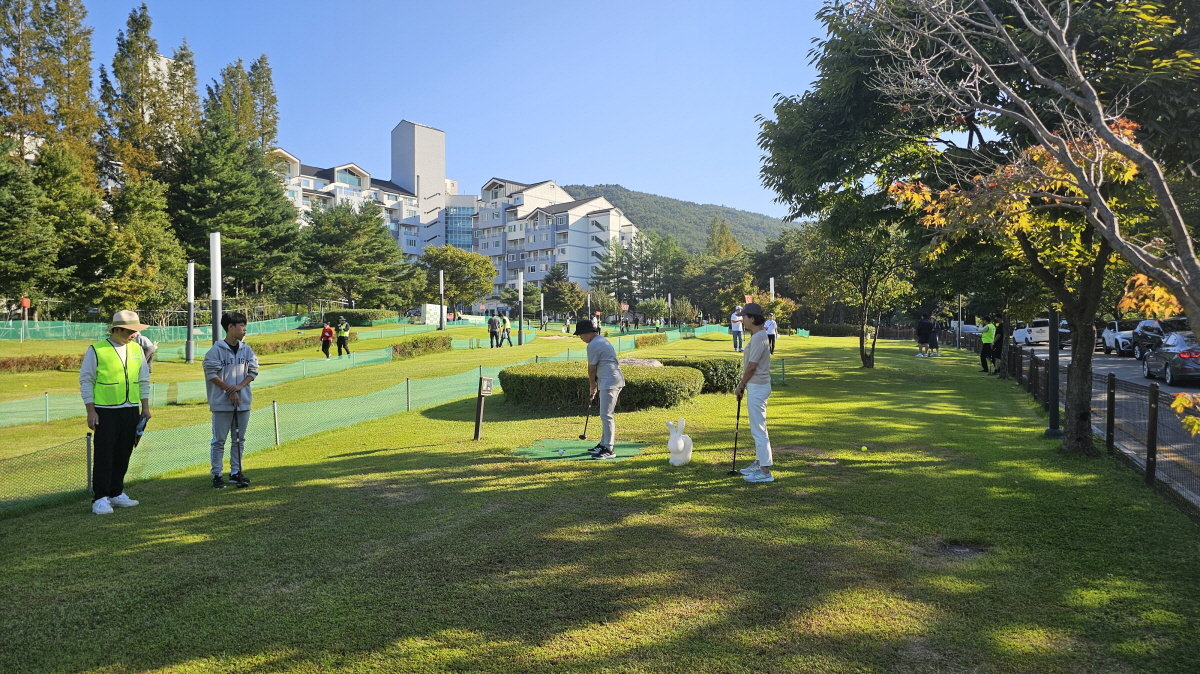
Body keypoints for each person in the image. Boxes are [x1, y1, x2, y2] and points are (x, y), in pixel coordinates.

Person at [80, 310, 152, 515]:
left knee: (123, 453)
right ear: (117, 329)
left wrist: (145, 407)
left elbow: (144, 380)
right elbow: (86, 381)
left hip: (130, 409)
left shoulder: (137, 349)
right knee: (104, 455)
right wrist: (91, 411)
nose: (135, 334)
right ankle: (100, 498)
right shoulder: (97, 350)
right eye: (131, 330)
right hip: (105, 411)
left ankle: (116, 493)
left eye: (137, 330)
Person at [204, 312, 259, 489]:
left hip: (243, 402)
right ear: (230, 327)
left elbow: (253, 370)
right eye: (241, 326)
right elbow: (211, 374)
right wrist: (229, 389)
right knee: (219, 440)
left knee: (239, 440)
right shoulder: (216, 350)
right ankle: (217, 475)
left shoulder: (246, 349)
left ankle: (236, 472)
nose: (244, 329)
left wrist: (239, 387)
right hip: (221, 404)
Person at [735, 303, 774, 483]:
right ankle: (759, 462)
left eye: (744, 316)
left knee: (759, 429)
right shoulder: (758, 336)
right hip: (757, 386)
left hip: (757, 386)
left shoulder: (759, 337)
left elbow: (752, 366)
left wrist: (741, 385)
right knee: (758, 427)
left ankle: (764, 471)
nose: (742, 319)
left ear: (752, 318)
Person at [576, 319, 624, 460]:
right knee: (605, 414)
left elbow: (592, 368)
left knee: (607, 415)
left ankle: (609, 449)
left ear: (588, 333)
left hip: (610, 381)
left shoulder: (593, 345)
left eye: (581, 334)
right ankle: (603, 444)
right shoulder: (601, 340)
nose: (580, 337)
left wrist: (592, 384)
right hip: (610, 379)